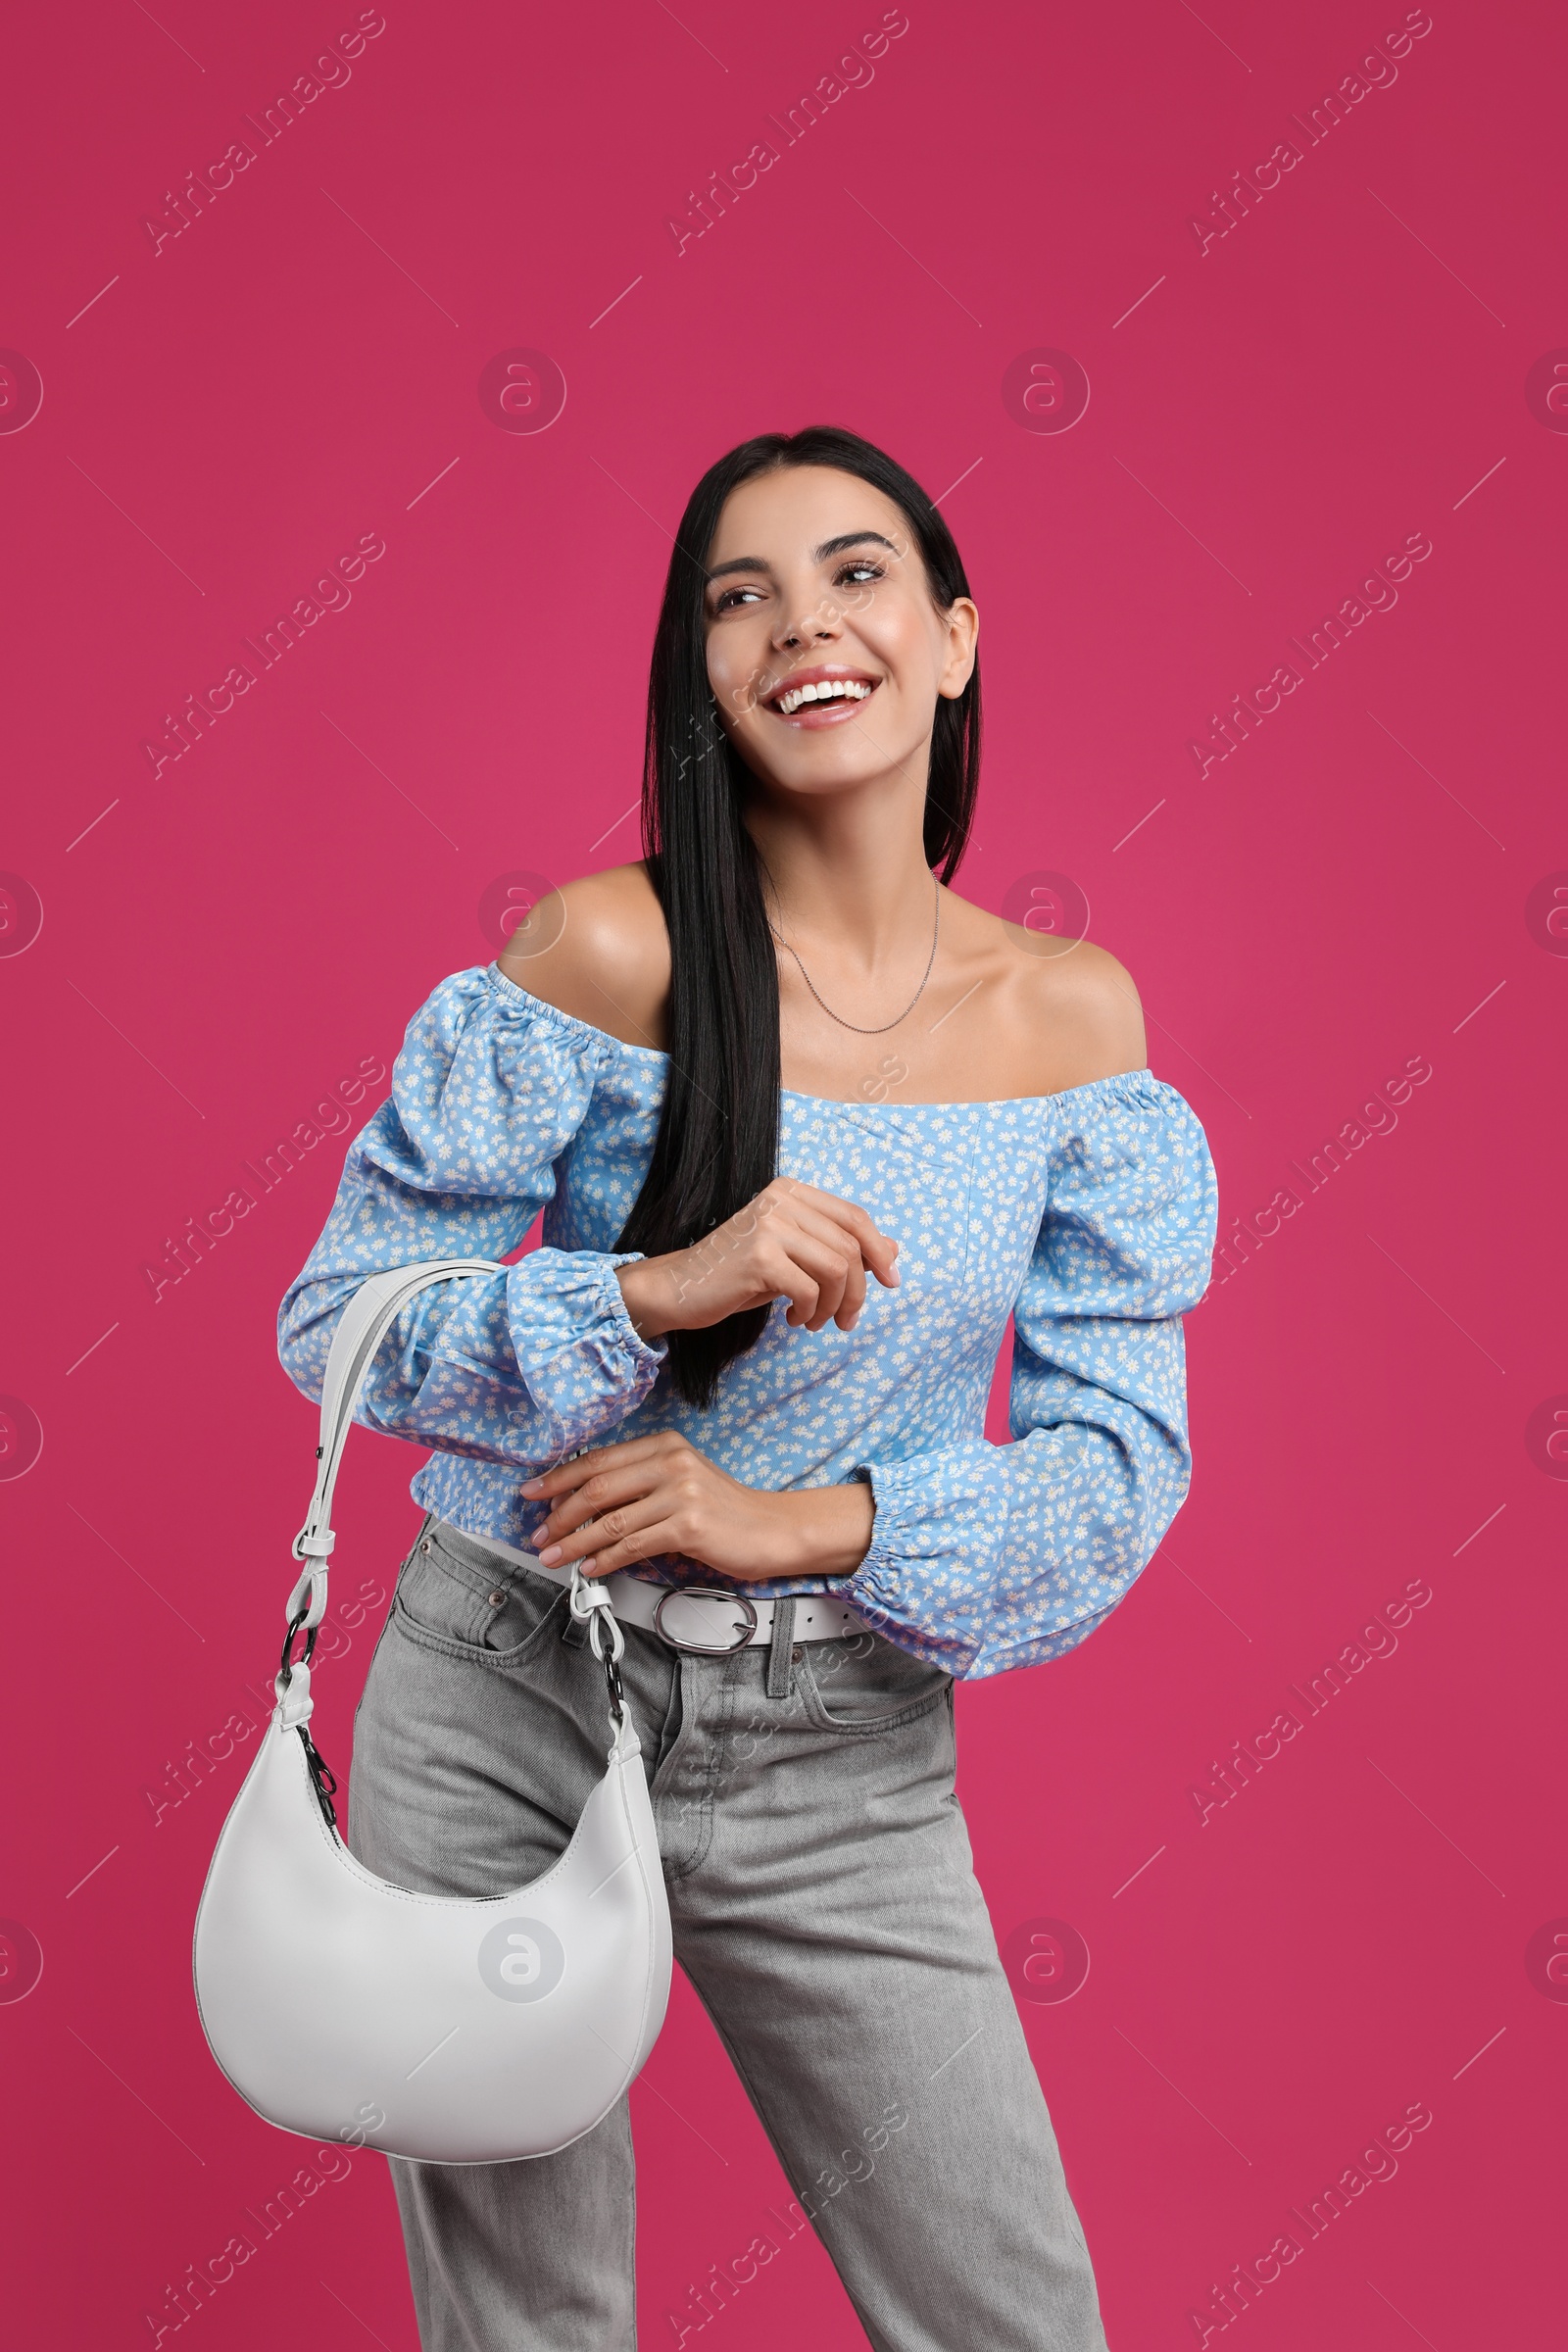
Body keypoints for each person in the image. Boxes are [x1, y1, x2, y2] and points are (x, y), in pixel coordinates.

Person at [278, 423, 1219, 2351]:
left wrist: (797, 1523)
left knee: (1008, 2320)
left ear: (951, 639)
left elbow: (1113, 1465)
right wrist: (654, 1289)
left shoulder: (1069, 1029)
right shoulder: (604, 956)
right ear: (699, 675)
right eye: (739, 594)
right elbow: (341, 1320)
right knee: (530, 2327)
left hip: (839, 1752)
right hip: (506, 1702)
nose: (803, 622)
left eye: (854, 573)